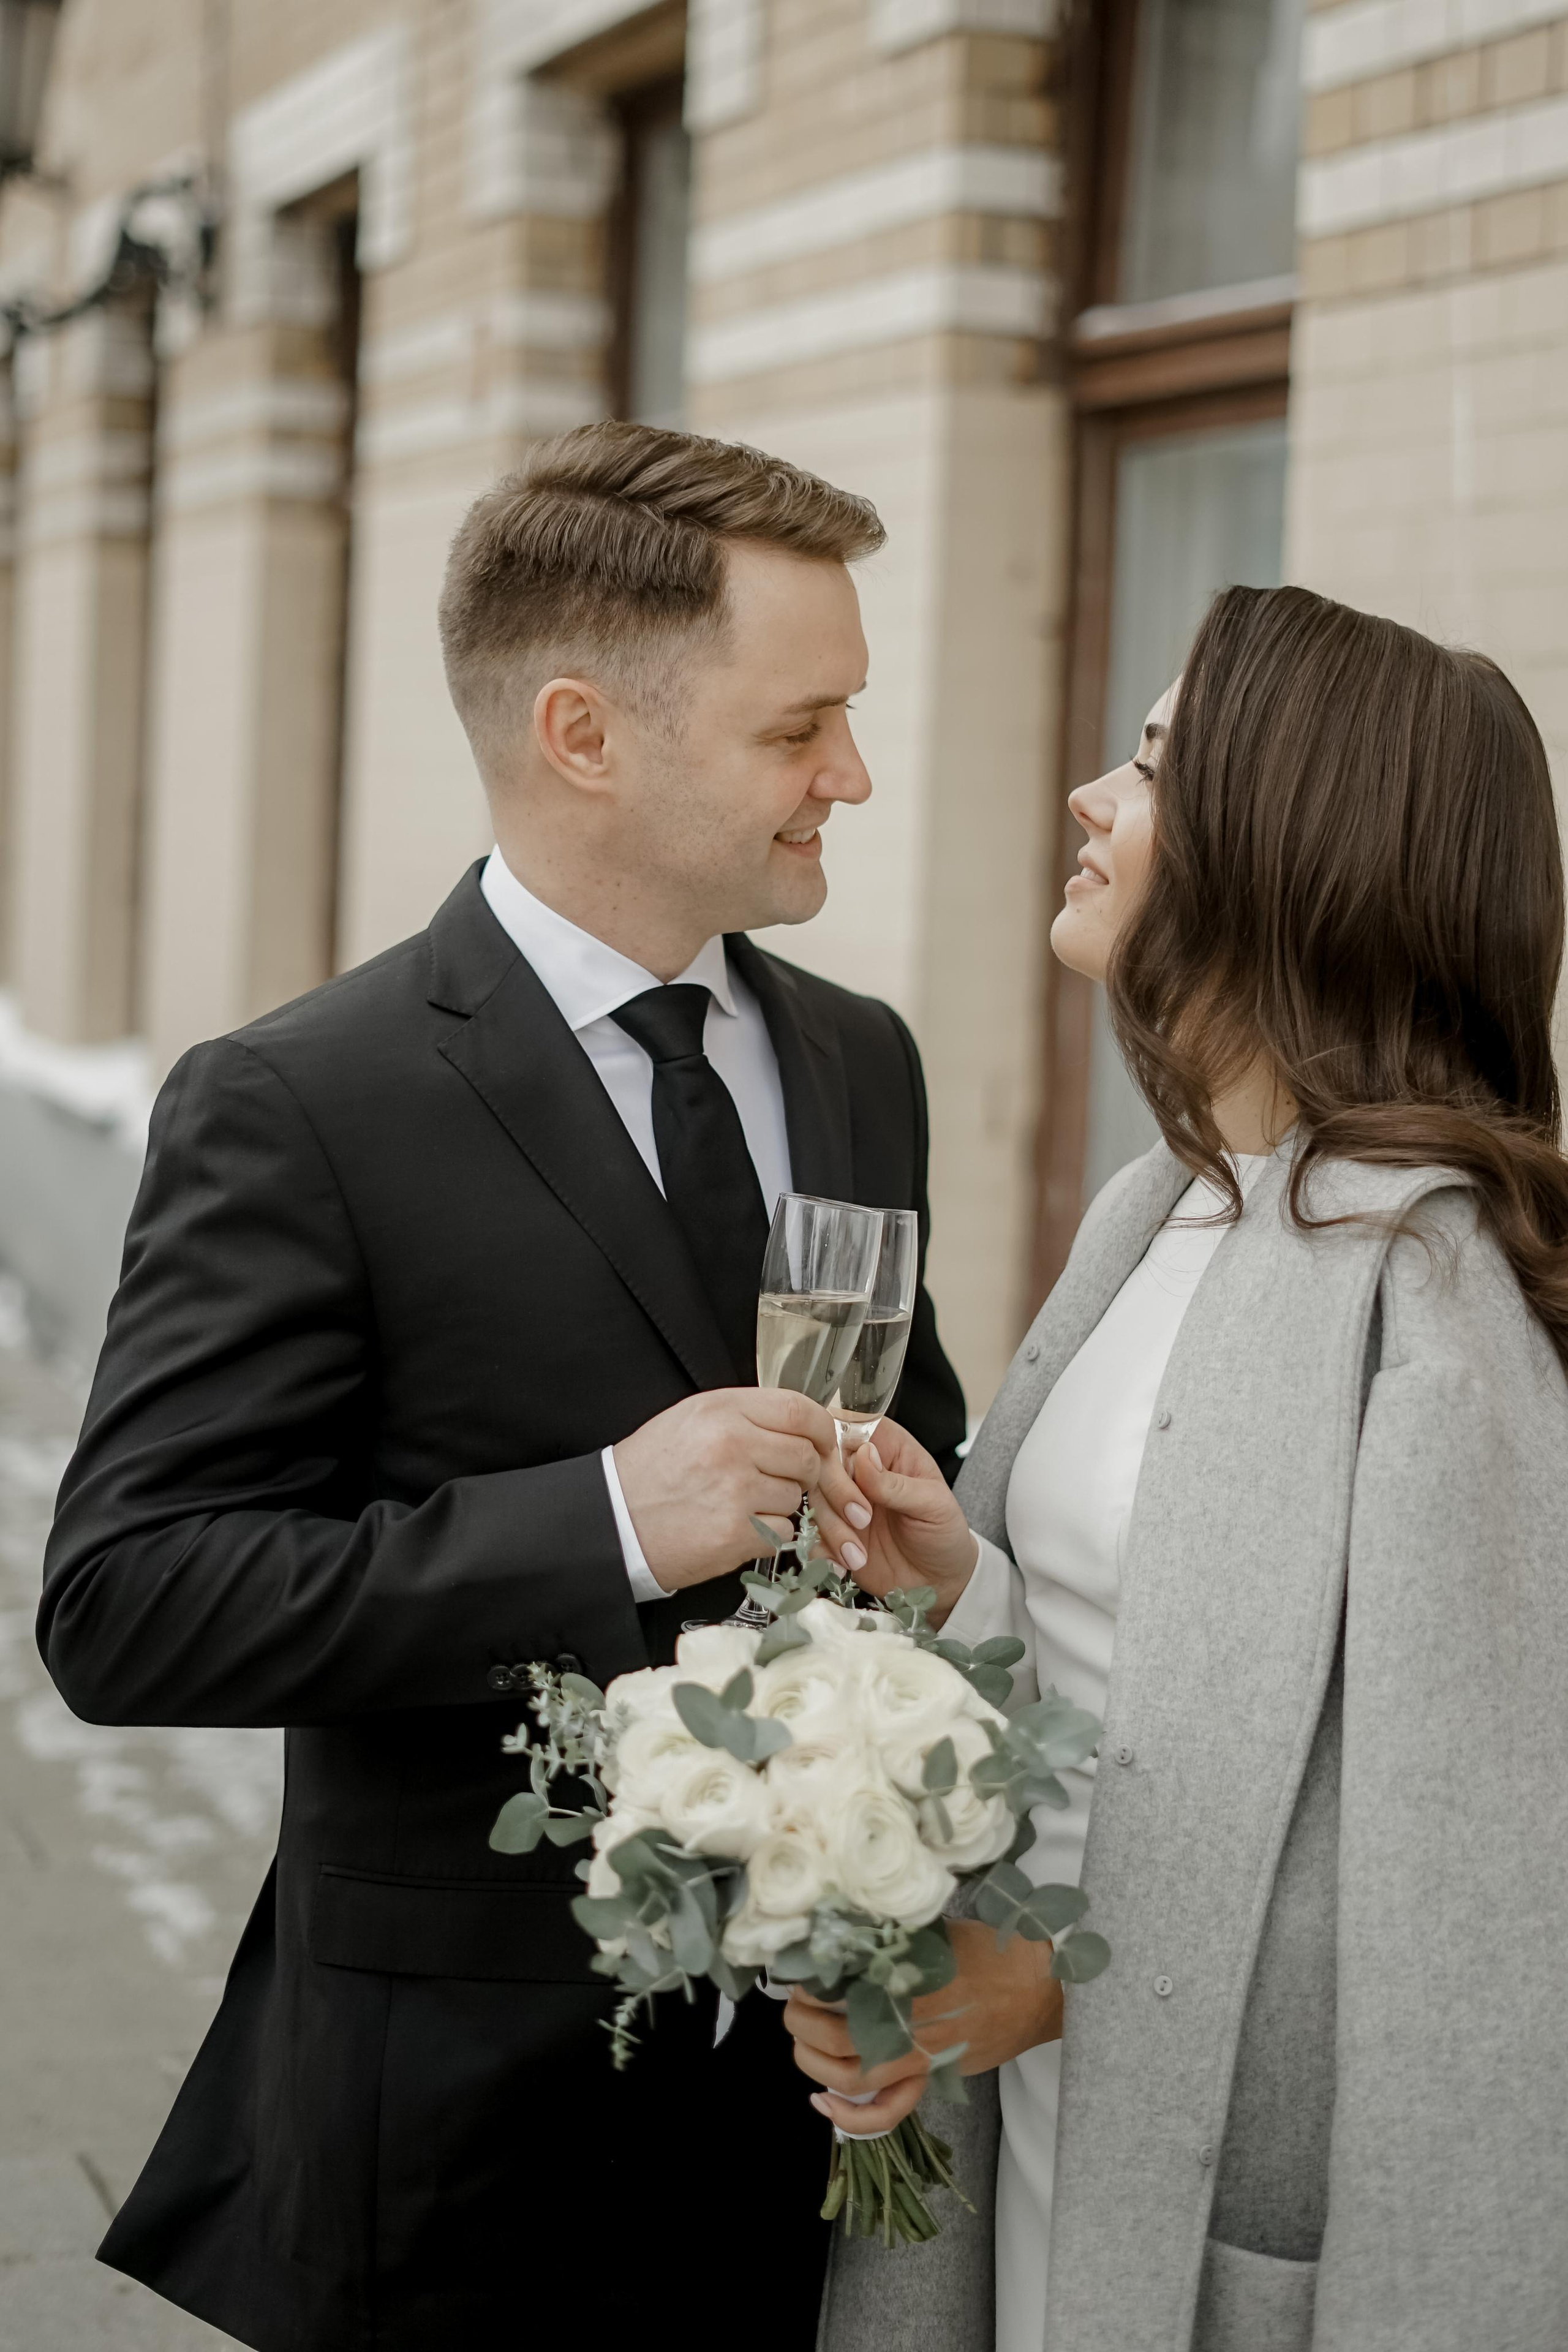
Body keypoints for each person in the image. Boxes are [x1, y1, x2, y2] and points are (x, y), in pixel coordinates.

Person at [37, 422, 967, 2352]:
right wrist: (612, 1520)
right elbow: (129, 1609)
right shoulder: (303, 1101)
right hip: (459, 2159)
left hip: (822, 2134)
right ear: (583, 734)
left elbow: (911, 1442)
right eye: (803, 730)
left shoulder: (864, 1062)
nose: (851, 778)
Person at [798, 584, 1568, 2352]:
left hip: (1213, 2212)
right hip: (1016, 2135)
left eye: (1150, 764)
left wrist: (1058, 1986)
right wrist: (958, 1579)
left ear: (1294, 845)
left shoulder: (1439, 1313)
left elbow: (1469, 1931)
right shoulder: (1163, 1207)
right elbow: (1140, 1660)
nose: (1089, 794)